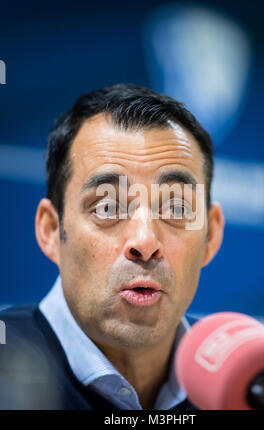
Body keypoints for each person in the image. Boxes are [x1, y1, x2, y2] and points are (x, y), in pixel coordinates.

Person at [0, 84, 224, 410]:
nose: (145, 242)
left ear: (211, 235)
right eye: (107, 208)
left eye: (176, 209)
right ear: (51, 229)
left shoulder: (248, 381)